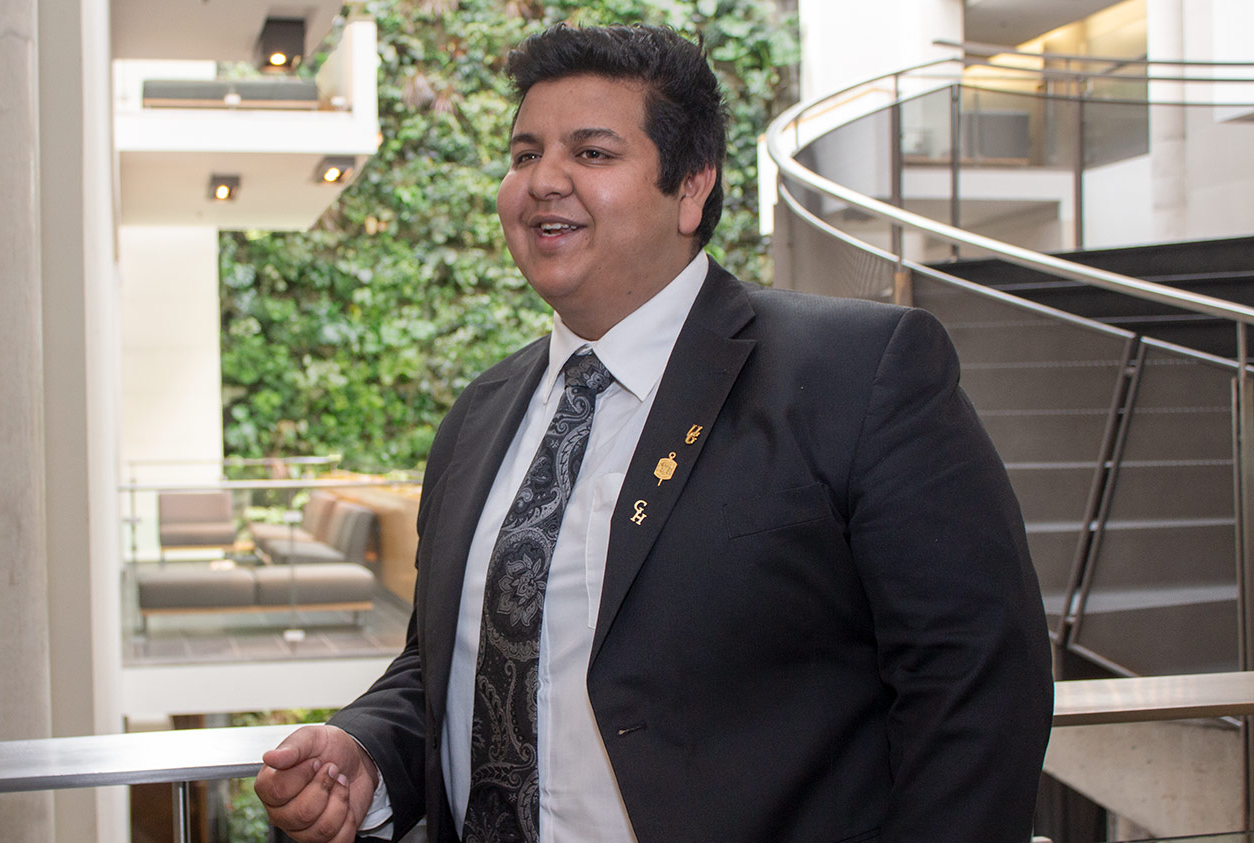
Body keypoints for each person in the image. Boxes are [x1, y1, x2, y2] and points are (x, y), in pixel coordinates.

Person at [254, 23, 1053, 843]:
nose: (543, 182)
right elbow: (454, 663)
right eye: (525, 154)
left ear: (693, 188)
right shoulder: (479, 414)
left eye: (592, 154)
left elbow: (978, 684)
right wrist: (367, 751)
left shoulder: (857, 375)